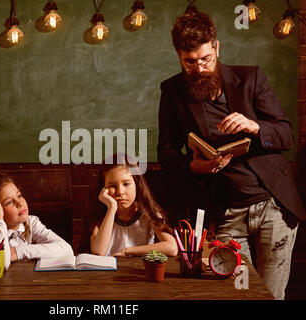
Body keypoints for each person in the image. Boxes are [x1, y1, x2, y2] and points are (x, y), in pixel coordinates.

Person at [158, 10, 306, 299]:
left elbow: (286, 135)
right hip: (224, 212)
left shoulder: (250, 78)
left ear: (216, 47)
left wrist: (255, 126)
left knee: (271, 295)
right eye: (189, 62)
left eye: (205, 59)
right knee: (235, 294)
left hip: (272, 207)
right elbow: (165, 152)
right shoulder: (173, 91)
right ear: (178, 55)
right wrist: (193, 166)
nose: (199, 69)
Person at [0, 173, 73, 270]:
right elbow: (1, 264)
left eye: (19, 196)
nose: (19, 203)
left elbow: (66, 250)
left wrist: (17, 252)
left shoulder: (31, 223)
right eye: (9, 202)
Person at [89, 154, 178, 257]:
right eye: (112, 186)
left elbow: (171, 248)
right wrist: (111, 209)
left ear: (137, 184)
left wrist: (127, 251)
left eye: (126, 184)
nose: (120, 192)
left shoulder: (148, 213)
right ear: (103, 189)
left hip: (138, 271)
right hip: (107, 272)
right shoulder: (100, 216)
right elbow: (99, 251)